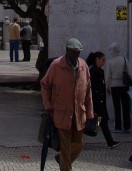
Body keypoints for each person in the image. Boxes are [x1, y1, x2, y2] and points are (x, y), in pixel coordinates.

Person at [41, 37, 95, 171]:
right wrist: (48, 105)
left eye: (78, 52)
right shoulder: (56, 65)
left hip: (79, 114)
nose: (76, 55)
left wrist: (90, 112)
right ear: (67, 50)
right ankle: (65, 166)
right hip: (61, 113)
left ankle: (62, 160)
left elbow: (88, 90)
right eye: (73, 52)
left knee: (79, 144)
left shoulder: (83, 66)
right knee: (65, 148)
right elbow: (45, 84)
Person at [86, 51, 119, 148]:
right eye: (103, 59)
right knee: (102, 121)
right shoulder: (93, 71)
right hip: (96, 101)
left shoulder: (100, 71)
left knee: (102, 121)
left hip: (100, 101)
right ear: (97, 59)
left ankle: (95, 133)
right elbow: (92, 88)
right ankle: (109, 141)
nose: (104, 62)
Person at [106, 42, 132, 133]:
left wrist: (107, 86)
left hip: (114, 86)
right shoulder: (125, 60)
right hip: (124, 85)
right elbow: (130, 73)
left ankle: (118, 127)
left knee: (116, 107)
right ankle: (127, 126)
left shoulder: (110, 62)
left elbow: (107, 76)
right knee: (125, 106)